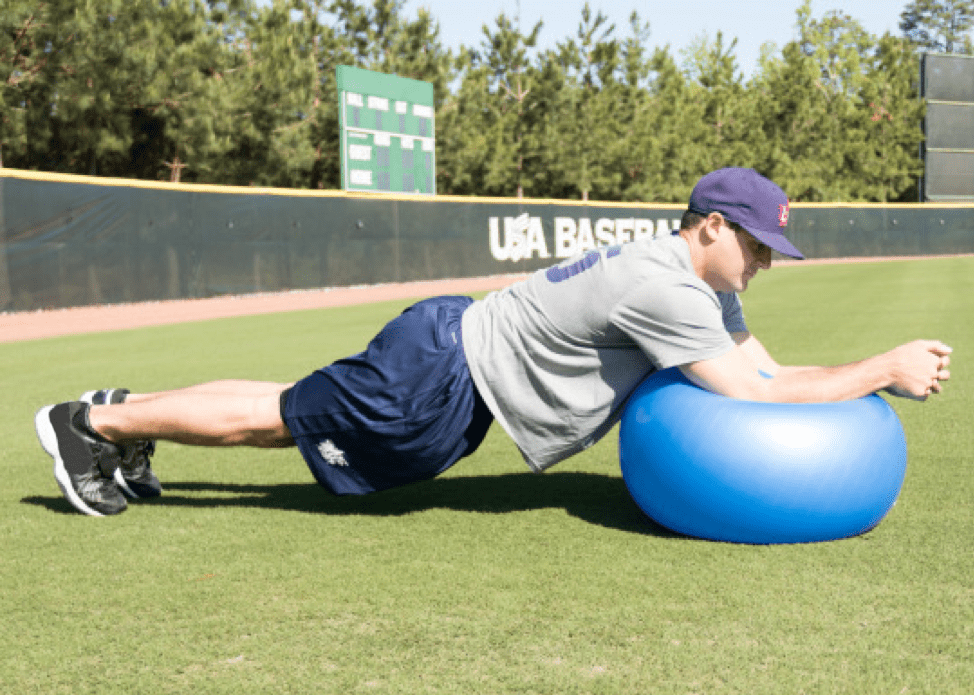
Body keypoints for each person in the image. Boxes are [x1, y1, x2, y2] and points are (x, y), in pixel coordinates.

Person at [34, 168, 952, 516]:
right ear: (711, 226)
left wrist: (865, 371)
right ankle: (91, 425)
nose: (766, 262)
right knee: (279, 419)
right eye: (757, 245)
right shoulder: (666, 284)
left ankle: (123, 418)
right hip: (438, 374)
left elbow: (765, 370)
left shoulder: (698, 287)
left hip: (453, 371)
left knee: (291, 407)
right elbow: (752, 402)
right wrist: (883, 369)